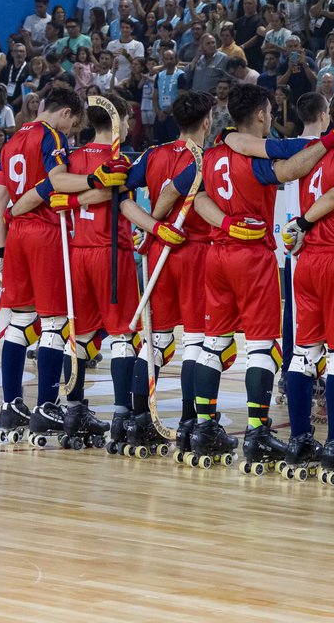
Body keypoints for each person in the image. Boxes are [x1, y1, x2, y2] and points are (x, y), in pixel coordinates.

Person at [187, 84, 334, 471]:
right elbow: (291, 167)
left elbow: (198, 197)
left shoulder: (211, 154)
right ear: (260, 115)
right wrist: (331, 141)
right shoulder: (253, 158)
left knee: (213, 343)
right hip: (251, 256)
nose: (273, 119)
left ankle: (204, 428)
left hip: (216, 254)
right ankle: (259, 432)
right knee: (262, 347)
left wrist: (224, 223)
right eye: (271, 113)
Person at [0, 88, 131, 444]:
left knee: (20, 321)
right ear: (65, 113)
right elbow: (56, 181)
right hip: (46, 231)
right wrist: (92, 180)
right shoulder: (50, 136)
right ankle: (46, 408)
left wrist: (2, 251)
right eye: (72, 124)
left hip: (16, 234)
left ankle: (10, 405)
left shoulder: (11, 141)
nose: (71, 133)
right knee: (54, 322)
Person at [58, 93, 178, 450]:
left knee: (78, 336)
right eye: (127, 120)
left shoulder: (72, 158)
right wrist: (155, 229)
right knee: (123, 337)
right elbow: (123, 205)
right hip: (110, 255)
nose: (129, 126)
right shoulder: (120, 160)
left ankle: (74, 410)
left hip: (77, 252)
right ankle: (123, 415)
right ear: (118, 122)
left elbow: (56, 194)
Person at [122, 91, 215, 461]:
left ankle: (136, 419)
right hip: (194, 251)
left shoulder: (152, 154)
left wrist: (151, 230)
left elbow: (122, 198)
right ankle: (192, 423)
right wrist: (159, 224)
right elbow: (170, 190)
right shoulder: (206, 159)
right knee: (195, 340)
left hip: (161, 249)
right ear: (207, 121)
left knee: (155, 340)